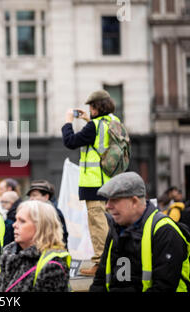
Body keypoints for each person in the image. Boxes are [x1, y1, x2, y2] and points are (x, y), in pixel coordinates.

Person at [90, 172, 190, 292]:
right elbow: (100, 281)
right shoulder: (116, 229)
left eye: (114, 200)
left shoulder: (165, 231)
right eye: (107, 200)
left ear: (134, 201)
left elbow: (163, 288)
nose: (107, 206)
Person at [61, 89, 119, 276]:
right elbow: (100, 141)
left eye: (91, 107)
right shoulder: (114, 122)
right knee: (112, 225)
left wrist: (68, 121)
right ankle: (113, 261)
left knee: (98, 225)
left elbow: (70, 141)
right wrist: (88, 121)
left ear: (96, 107)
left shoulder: (94, 126)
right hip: (113, 182)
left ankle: (100, 265)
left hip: (95, 184)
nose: (90, 110)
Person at [0, 200, 71, 292]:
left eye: (22, 221)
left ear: (41, 226)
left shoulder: (52, 266)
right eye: (16, 220)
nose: (14, 225)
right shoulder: (8, 253)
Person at [26, 180, 69, 247]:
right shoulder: (29, 212)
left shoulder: (55, 213)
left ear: (46, 197)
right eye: (30, 196)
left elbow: (62, 237)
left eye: (34, 195)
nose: (31, 199)